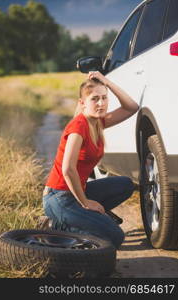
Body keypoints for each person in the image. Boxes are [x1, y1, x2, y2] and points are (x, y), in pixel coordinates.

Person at [42, 71, 139, 249]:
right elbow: (67, 169)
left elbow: (132, 107)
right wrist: (85, 203)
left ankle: (76, 220)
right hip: (59, 198)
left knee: (125, 184)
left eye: (104, 98)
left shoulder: (98, 122)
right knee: (115, 236)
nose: (101, 103)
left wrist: (106, 81)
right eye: (95, 99)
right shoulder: (78, 126)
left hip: (78, 191)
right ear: (83, 103)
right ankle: (59, 227)